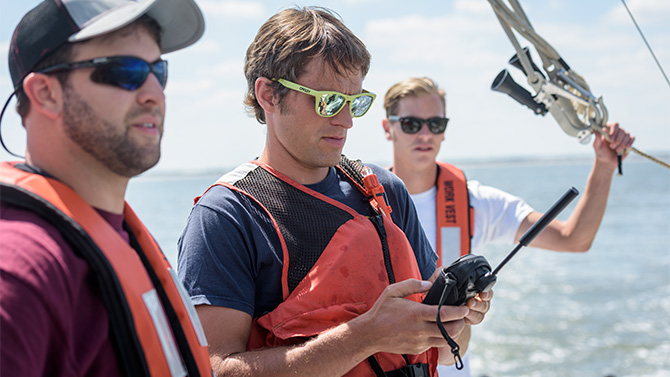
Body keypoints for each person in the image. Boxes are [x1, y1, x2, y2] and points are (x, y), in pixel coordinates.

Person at [177, 7, 492, 377]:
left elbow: (445, 349)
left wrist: (460, 318)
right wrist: (365, 337)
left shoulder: (384, 192)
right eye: (327, 100)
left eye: (355, 101)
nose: (346, 120)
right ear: (269, 95)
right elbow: (214, 370)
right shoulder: (227, 217)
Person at [0, 1, 212, 376]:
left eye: (157, 71)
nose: (154, 94)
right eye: (124, 71)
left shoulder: (121, 236)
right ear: (46, 93)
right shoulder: (20, 268)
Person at [381, 77, 635, 376]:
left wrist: (604, 164)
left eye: (435, 124)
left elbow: (573, 238)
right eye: (411, 124)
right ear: (388, 128)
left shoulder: (475, 201)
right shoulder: (366, 205)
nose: (425, 134)